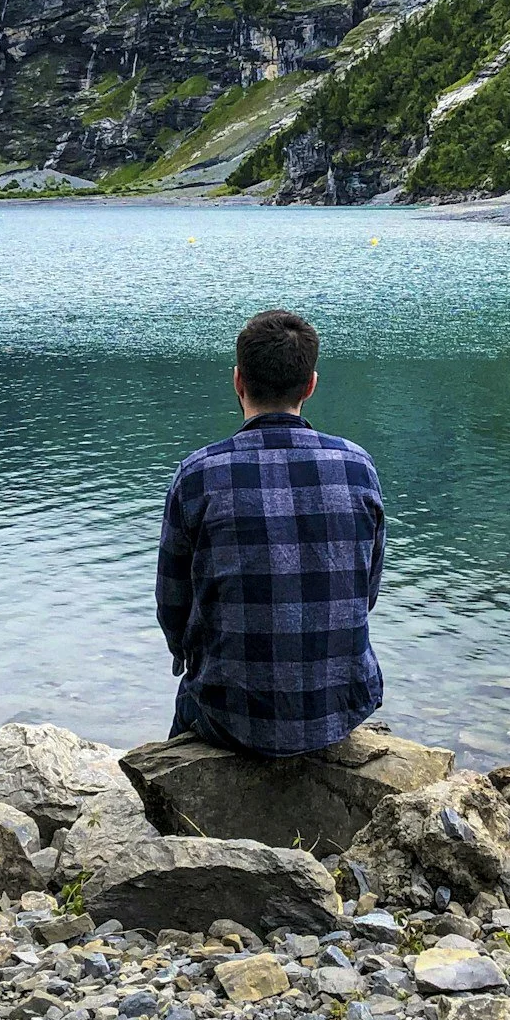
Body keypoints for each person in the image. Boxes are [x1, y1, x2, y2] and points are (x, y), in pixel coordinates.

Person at [154, 308, 386, 757]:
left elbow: (173, 605)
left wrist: (187, 654)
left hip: (229, 713)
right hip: (340, 703)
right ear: (311, 384)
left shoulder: (199, 475)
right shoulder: (357, 467)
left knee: (187, 713)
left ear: (238, 381)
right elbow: (367, 588)